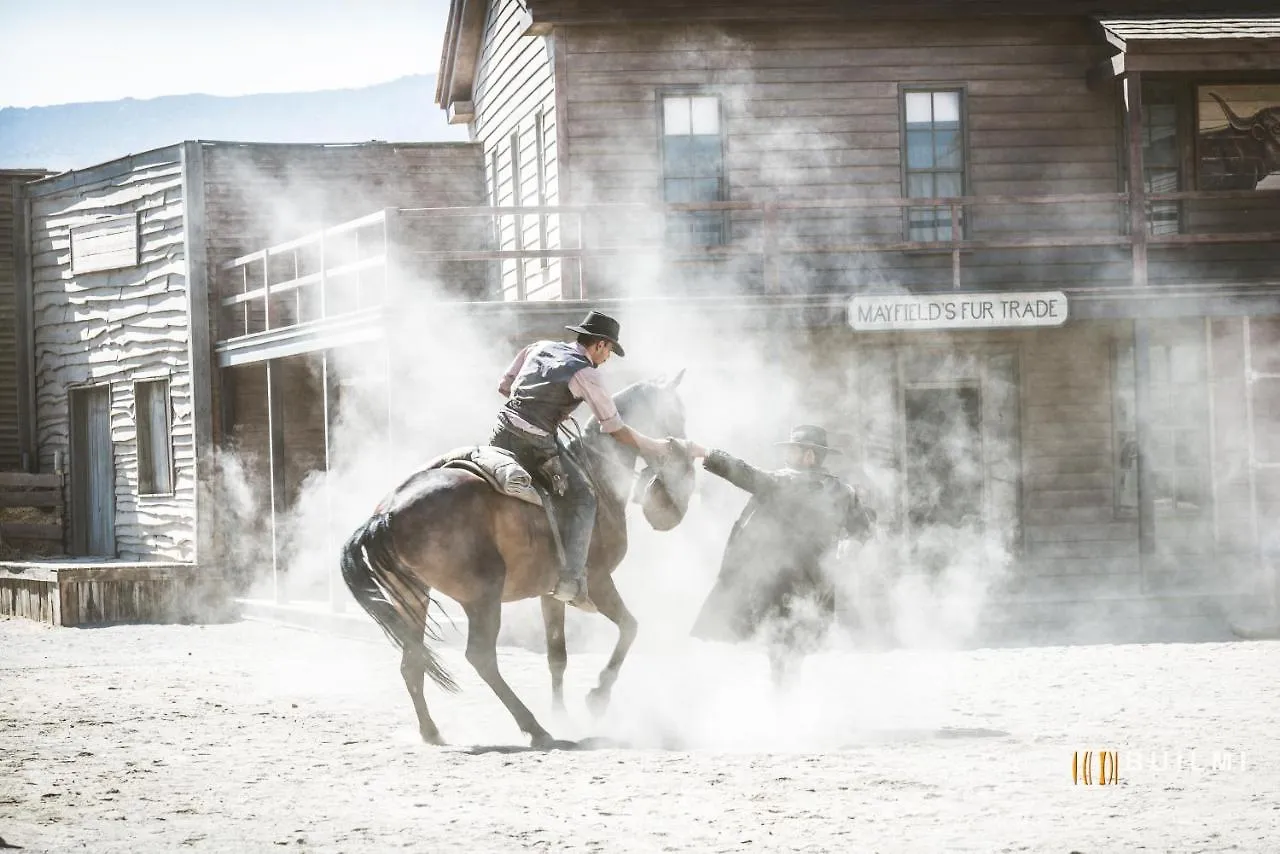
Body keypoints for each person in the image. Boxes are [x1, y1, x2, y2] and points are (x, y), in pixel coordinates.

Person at [492, 310, 673, 612]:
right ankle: (570, 582)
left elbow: (504, 387)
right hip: (536, 443)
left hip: (500, 433)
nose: (608, 358)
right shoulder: (587, 373)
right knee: (583, 498)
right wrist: (651, 445)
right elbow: (614, 428)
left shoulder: (538, 347)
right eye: (610, 351)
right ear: (600, 345)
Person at [685, 425, 876, 687]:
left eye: (794, 451)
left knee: (782, 650)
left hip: (782, 582)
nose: (789, 456)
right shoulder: (843, 491)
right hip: (814, 583)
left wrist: (704, 453)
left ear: (809, 456)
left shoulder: (785, 482)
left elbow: (742, 473)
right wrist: (850, 543)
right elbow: (863, 531)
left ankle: (785, 710)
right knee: (789, 651)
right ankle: (787, 708)